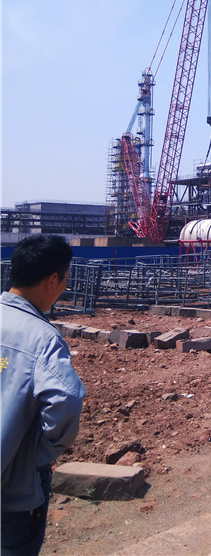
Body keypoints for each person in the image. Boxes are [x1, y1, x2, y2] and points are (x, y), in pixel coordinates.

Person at [1, 235, 86, 556]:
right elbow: (67, 399)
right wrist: (40, 455)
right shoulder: (43, 338)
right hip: (13, 493)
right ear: (53, 280)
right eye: (65, 280)